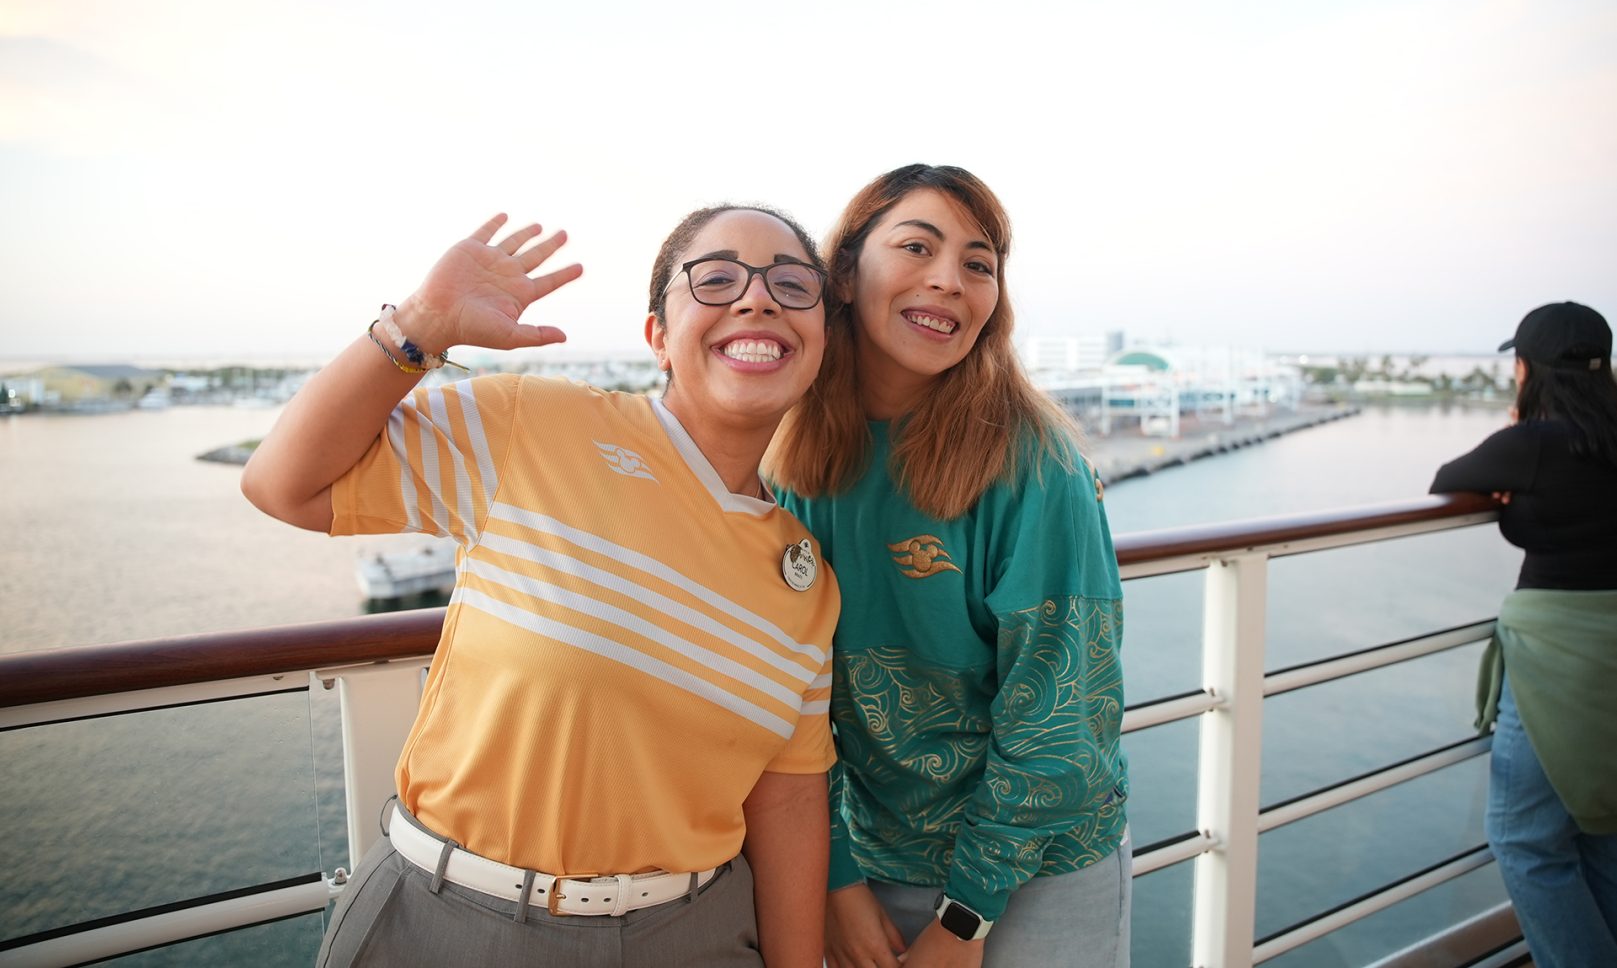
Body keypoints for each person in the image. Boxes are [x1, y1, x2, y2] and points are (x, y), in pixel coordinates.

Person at [241, 206, 840, 967]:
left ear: (819, 340)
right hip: (451, 921)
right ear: (657, 336)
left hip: (694, 934)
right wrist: (420, 324)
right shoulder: (536, 422)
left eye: (792, 285)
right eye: (716, 278)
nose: (757, 300)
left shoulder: (804, 577)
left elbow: (785, 798)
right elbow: (283, 485)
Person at [767, 164, 1130, 968]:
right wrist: (833, 875)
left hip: (1031, 871)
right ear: (845, 271)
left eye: (978, 263)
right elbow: (781, 692)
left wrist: (964, 919)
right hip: (861, 861)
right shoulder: (786, 453)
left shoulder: (1034, 465)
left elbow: (1059, 714)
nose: (948, 280)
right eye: (916, 246)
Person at [1430, 301, 1617, 966]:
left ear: (1525, 370)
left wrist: (1515, 443)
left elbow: (1447, 481)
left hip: (1554, 659)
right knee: (1599, 826)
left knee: (1523, 838)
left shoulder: (1531, 444)